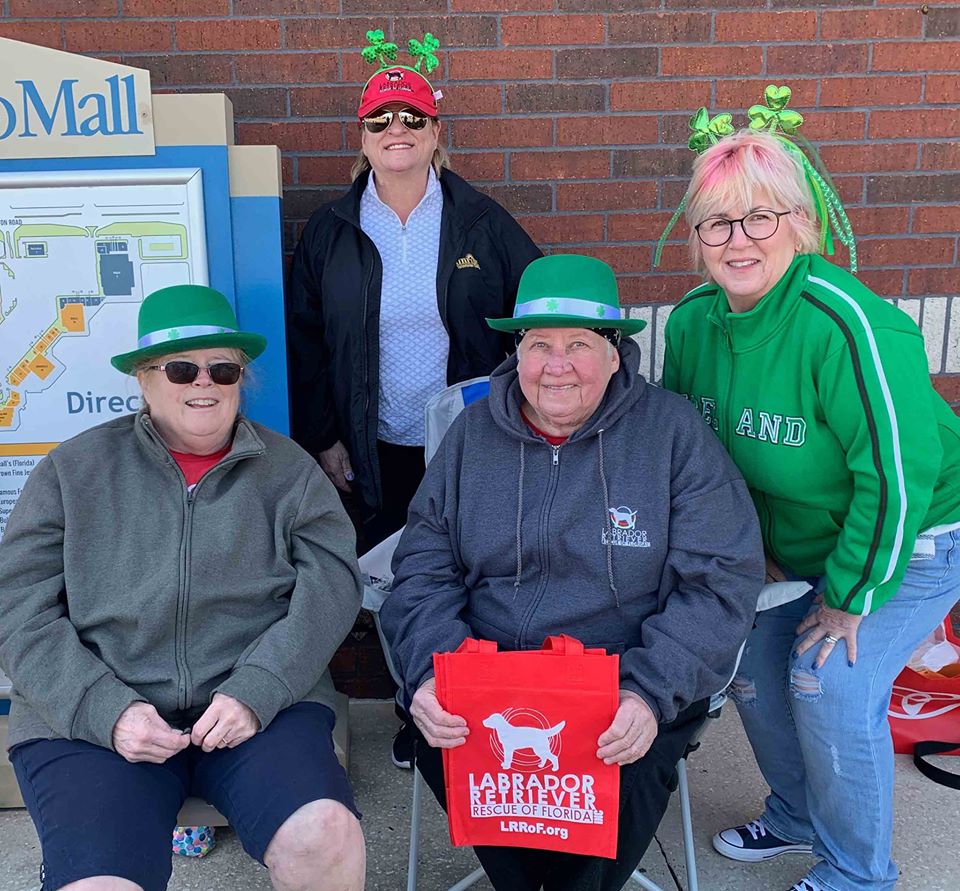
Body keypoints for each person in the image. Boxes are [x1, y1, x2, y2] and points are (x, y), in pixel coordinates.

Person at [381, 253, 765, 891]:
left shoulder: (673, 435)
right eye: (539, 345)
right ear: (517, 354)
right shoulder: (473, 437)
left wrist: (648, 691)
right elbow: (422, 568)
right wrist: (432, 672)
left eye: (579, 345)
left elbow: (720, 580)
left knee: (622, 786)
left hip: (623, 683)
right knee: (439, 740)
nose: (556, 366)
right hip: (486, 673)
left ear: (615, 354)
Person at [662, 119, 960, 891]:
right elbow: (691, 457)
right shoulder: (696, 321)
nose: (739, 239)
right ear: (696, 234)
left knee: (825, 680)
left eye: (761, 216)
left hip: (914, 534)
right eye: (719, 220)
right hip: (795, 536)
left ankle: (858, 872)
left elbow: (898, 476)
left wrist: (849, 596)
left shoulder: (847, 322)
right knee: (750, 662)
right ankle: (796, 814)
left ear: (802, 224)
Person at [0, 284, 365, 891]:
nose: (205, 383)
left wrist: (258, 688)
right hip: (96, 723)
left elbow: (332, 588)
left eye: (223, 369)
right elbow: (18, 610)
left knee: (324, 835)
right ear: (143, 380)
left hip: (257, 710)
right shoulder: (71, 472)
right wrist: (105, 710)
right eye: (181, 368)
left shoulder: (290, 472)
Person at [286, 30, 541, 550]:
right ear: (362, 135)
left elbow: (537, 317)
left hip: (466, 436)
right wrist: (323, 438)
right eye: (380, 119)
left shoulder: (481, 223)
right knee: (387, 559)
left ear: (435, 130)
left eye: (412, 118)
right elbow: (305, 340)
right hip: (370, 442)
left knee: (466, 556)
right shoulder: (330, 231)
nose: (395, 130)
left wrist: (526, 414)